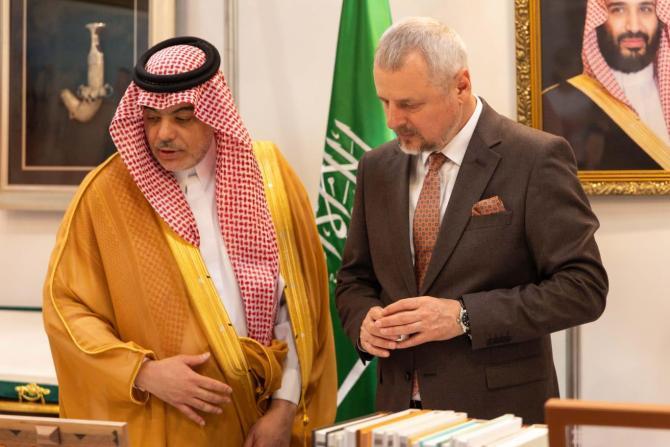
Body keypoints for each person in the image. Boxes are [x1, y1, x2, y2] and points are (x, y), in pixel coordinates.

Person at [43, 37, 336, 446]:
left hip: (262, 423)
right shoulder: (107, 196)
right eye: (151, 118)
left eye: (183, 117)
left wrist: (284, 408)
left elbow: (300, 309)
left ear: (214, 113)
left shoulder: (270, 178)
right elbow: (68, 308)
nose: (163, 134)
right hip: (164, 424)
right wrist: (144, 373)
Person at [336, 18, 608, 424]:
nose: (392, 120)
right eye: (384, 102)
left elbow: (583, 287)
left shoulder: (534, 158)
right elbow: (354, 279)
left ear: (461, 85)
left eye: (409, 104)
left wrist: (463, 316)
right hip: (396, 414)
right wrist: (364, 322)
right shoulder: (376, 167)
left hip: (499, 419)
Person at [543, 0, 670, 170]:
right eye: (618, 10)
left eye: (646, 9)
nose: (633, 26)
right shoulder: (556, 101)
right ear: (599, 19)